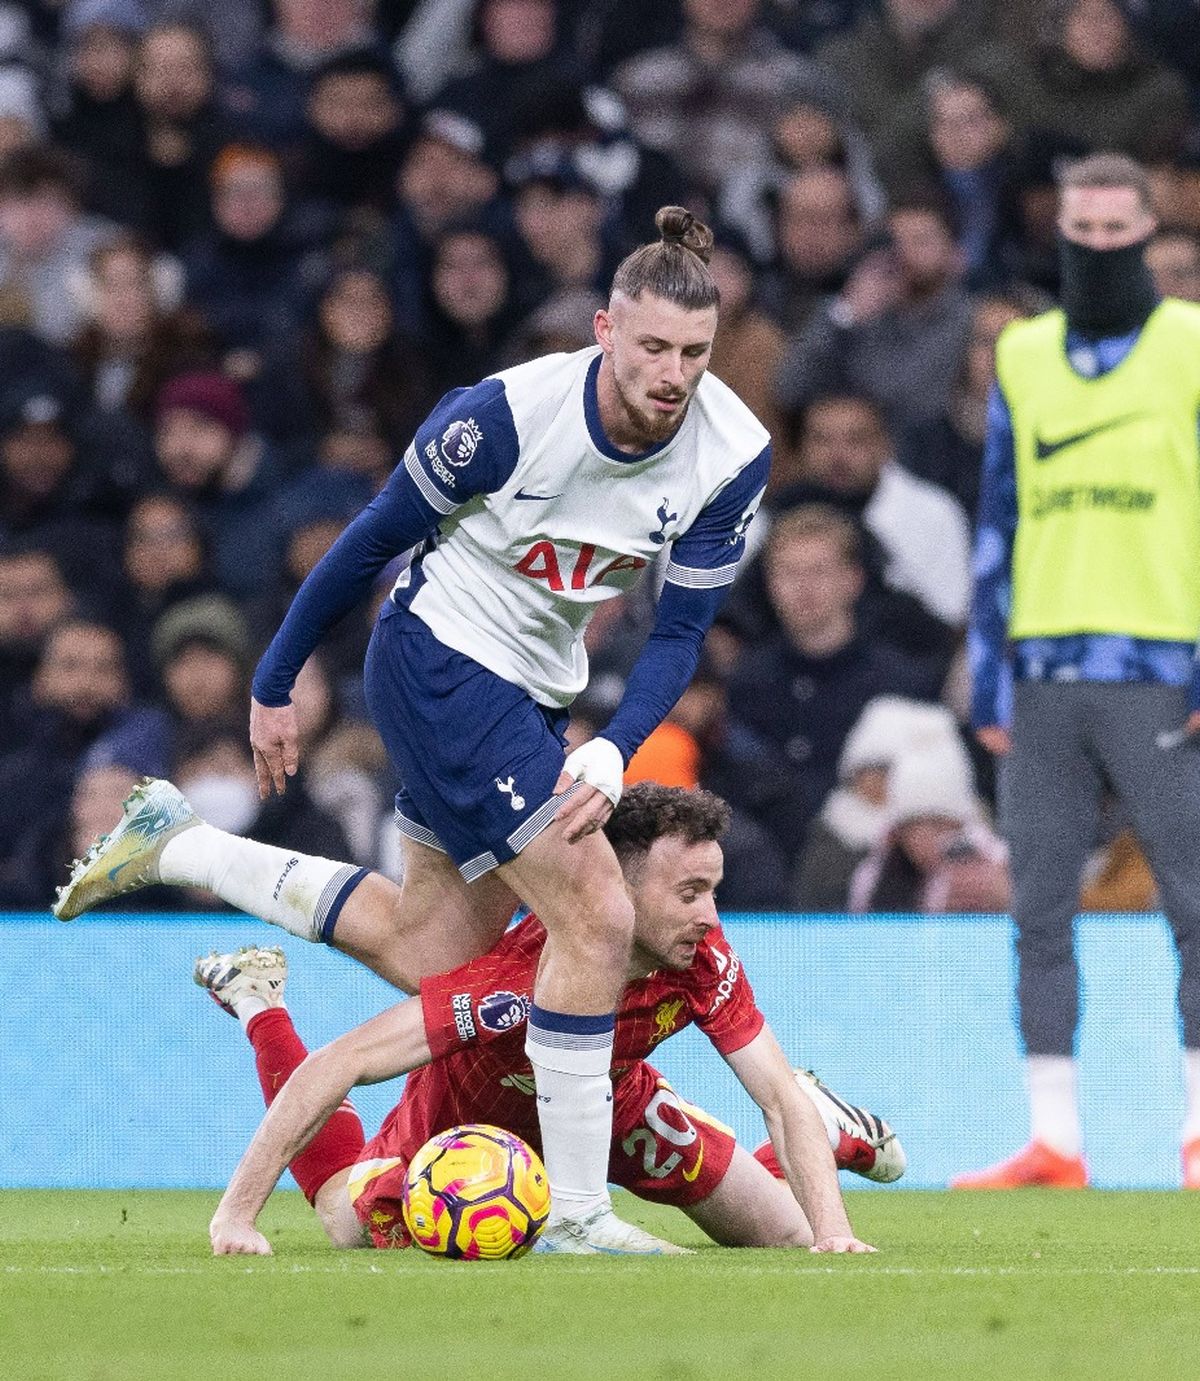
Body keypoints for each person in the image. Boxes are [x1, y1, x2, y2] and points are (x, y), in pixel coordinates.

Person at [55, 207, 773, 1255]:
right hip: (438, 657)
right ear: (604, 329)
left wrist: (615, 742)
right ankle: (576, 1213)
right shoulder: (507, 417)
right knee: (597, 914)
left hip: (535, 686)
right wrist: (275, 675)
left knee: (433, 947)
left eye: (695, 354)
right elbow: (372, 538)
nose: (673, 374)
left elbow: (681, 629)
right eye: (652, 346)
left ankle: (181, 843)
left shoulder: (733, 452)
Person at [190, 783, 892, 1255]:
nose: (710, 915)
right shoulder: (511, 984)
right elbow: (341, 1062)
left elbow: (774, 1091)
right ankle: (260, 1004)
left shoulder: (699, 955)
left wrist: (836, 1234)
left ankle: (824, 1131)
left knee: (791, 1238)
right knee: (345, 1222)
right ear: (615, 888)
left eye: (712, 889)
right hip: (465, 1134)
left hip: (617, 1111)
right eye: (689, 892)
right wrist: (236, 1212)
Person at [959, 153, 1200, 1190]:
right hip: (1045, 667)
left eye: (1116, 229)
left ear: (1149, 231)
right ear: (1059, 230)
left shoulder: (1192, 346)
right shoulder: (1022, 352)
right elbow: (998, 516)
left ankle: (1196, 1134)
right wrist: (987, 668)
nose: (1099, 245)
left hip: (1164, 663)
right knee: (1038, 909)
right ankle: (1055, 1140)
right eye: (1083, 229)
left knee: (1196, 907)